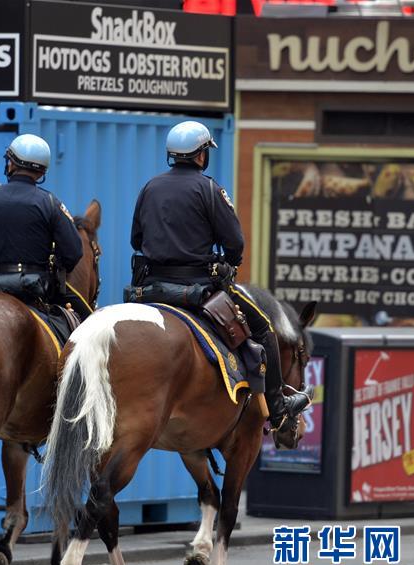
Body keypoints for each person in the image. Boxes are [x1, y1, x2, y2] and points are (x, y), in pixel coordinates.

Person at [129, 120, 310, 431]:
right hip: (198, 287)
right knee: (265, 330)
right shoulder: (209, 189)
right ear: (202, 155)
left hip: (151, 287)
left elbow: (136, 239)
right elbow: (234, 243)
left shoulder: (150, 187)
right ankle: (278, 411)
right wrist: (228, 263)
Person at [0, 134, 83, 309]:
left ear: (11, 164)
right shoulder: (50, 203)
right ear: (42, 172)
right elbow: (73, 253)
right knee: (79, 320)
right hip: (35, 290)